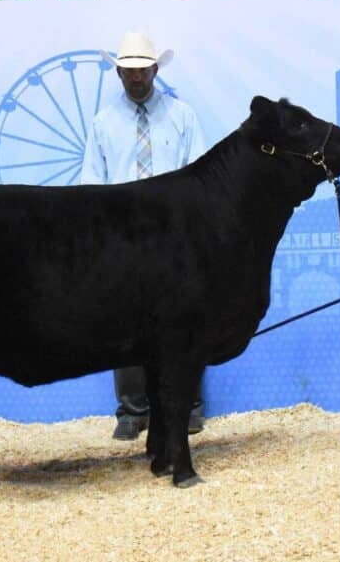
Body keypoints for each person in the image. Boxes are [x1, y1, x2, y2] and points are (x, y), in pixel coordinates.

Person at [80, 31, 208, 441]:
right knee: (125, 323)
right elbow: (92, 183)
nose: (136, 77)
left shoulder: (182, 116)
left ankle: (186, 405)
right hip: (123, 236)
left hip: (174, 234)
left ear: (155, 69)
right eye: (129, 71)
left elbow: (199, 173)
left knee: (184, 320)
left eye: (142, 69)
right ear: (117, 72)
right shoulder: (103, 123)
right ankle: (133, 411)